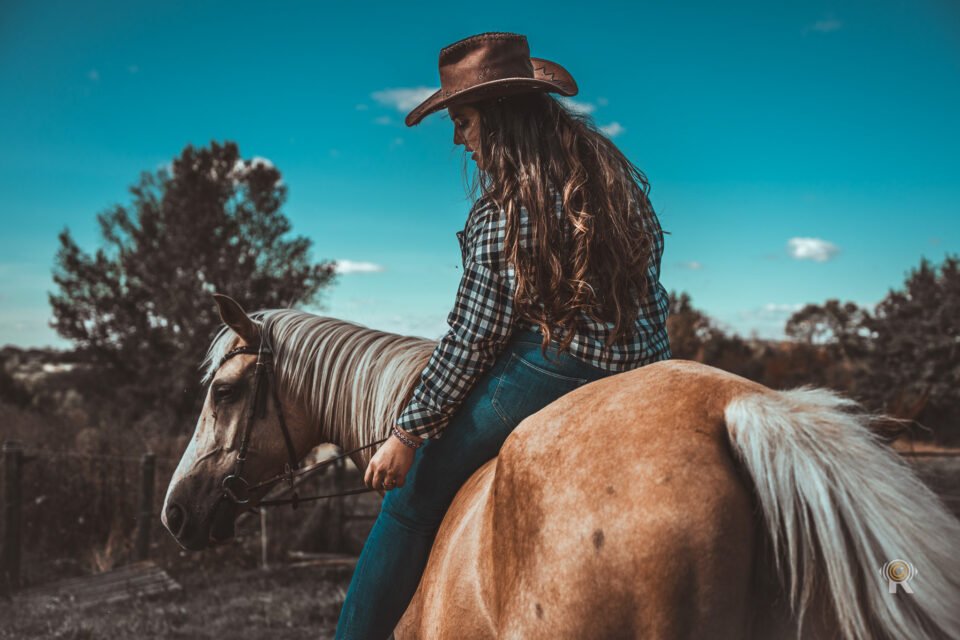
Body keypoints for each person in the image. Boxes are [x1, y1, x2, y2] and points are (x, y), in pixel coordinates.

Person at [335, 31, 671, 639]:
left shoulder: (504, 211)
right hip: (643, 369)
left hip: (555, 367)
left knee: (410, 504)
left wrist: (408, 435)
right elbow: (650, 300)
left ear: (497, 117)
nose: (458, 140)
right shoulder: (614, 185)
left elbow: (474, 338)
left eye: (463, 122)